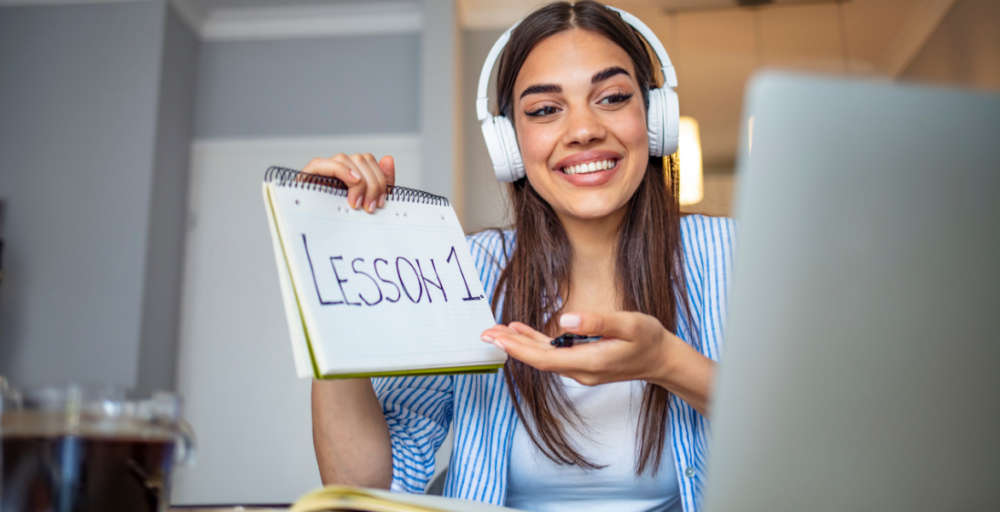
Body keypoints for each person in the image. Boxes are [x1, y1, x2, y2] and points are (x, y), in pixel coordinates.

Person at [301, 2, 735, 511]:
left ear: (655, 117)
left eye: (613, 97)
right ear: (509, 142)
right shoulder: (467, 270)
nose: (583, 129)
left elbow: (821, 437)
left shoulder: (729, 255)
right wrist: (329, 275)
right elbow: (366, 485)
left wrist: (668, 362)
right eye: (545, 109)